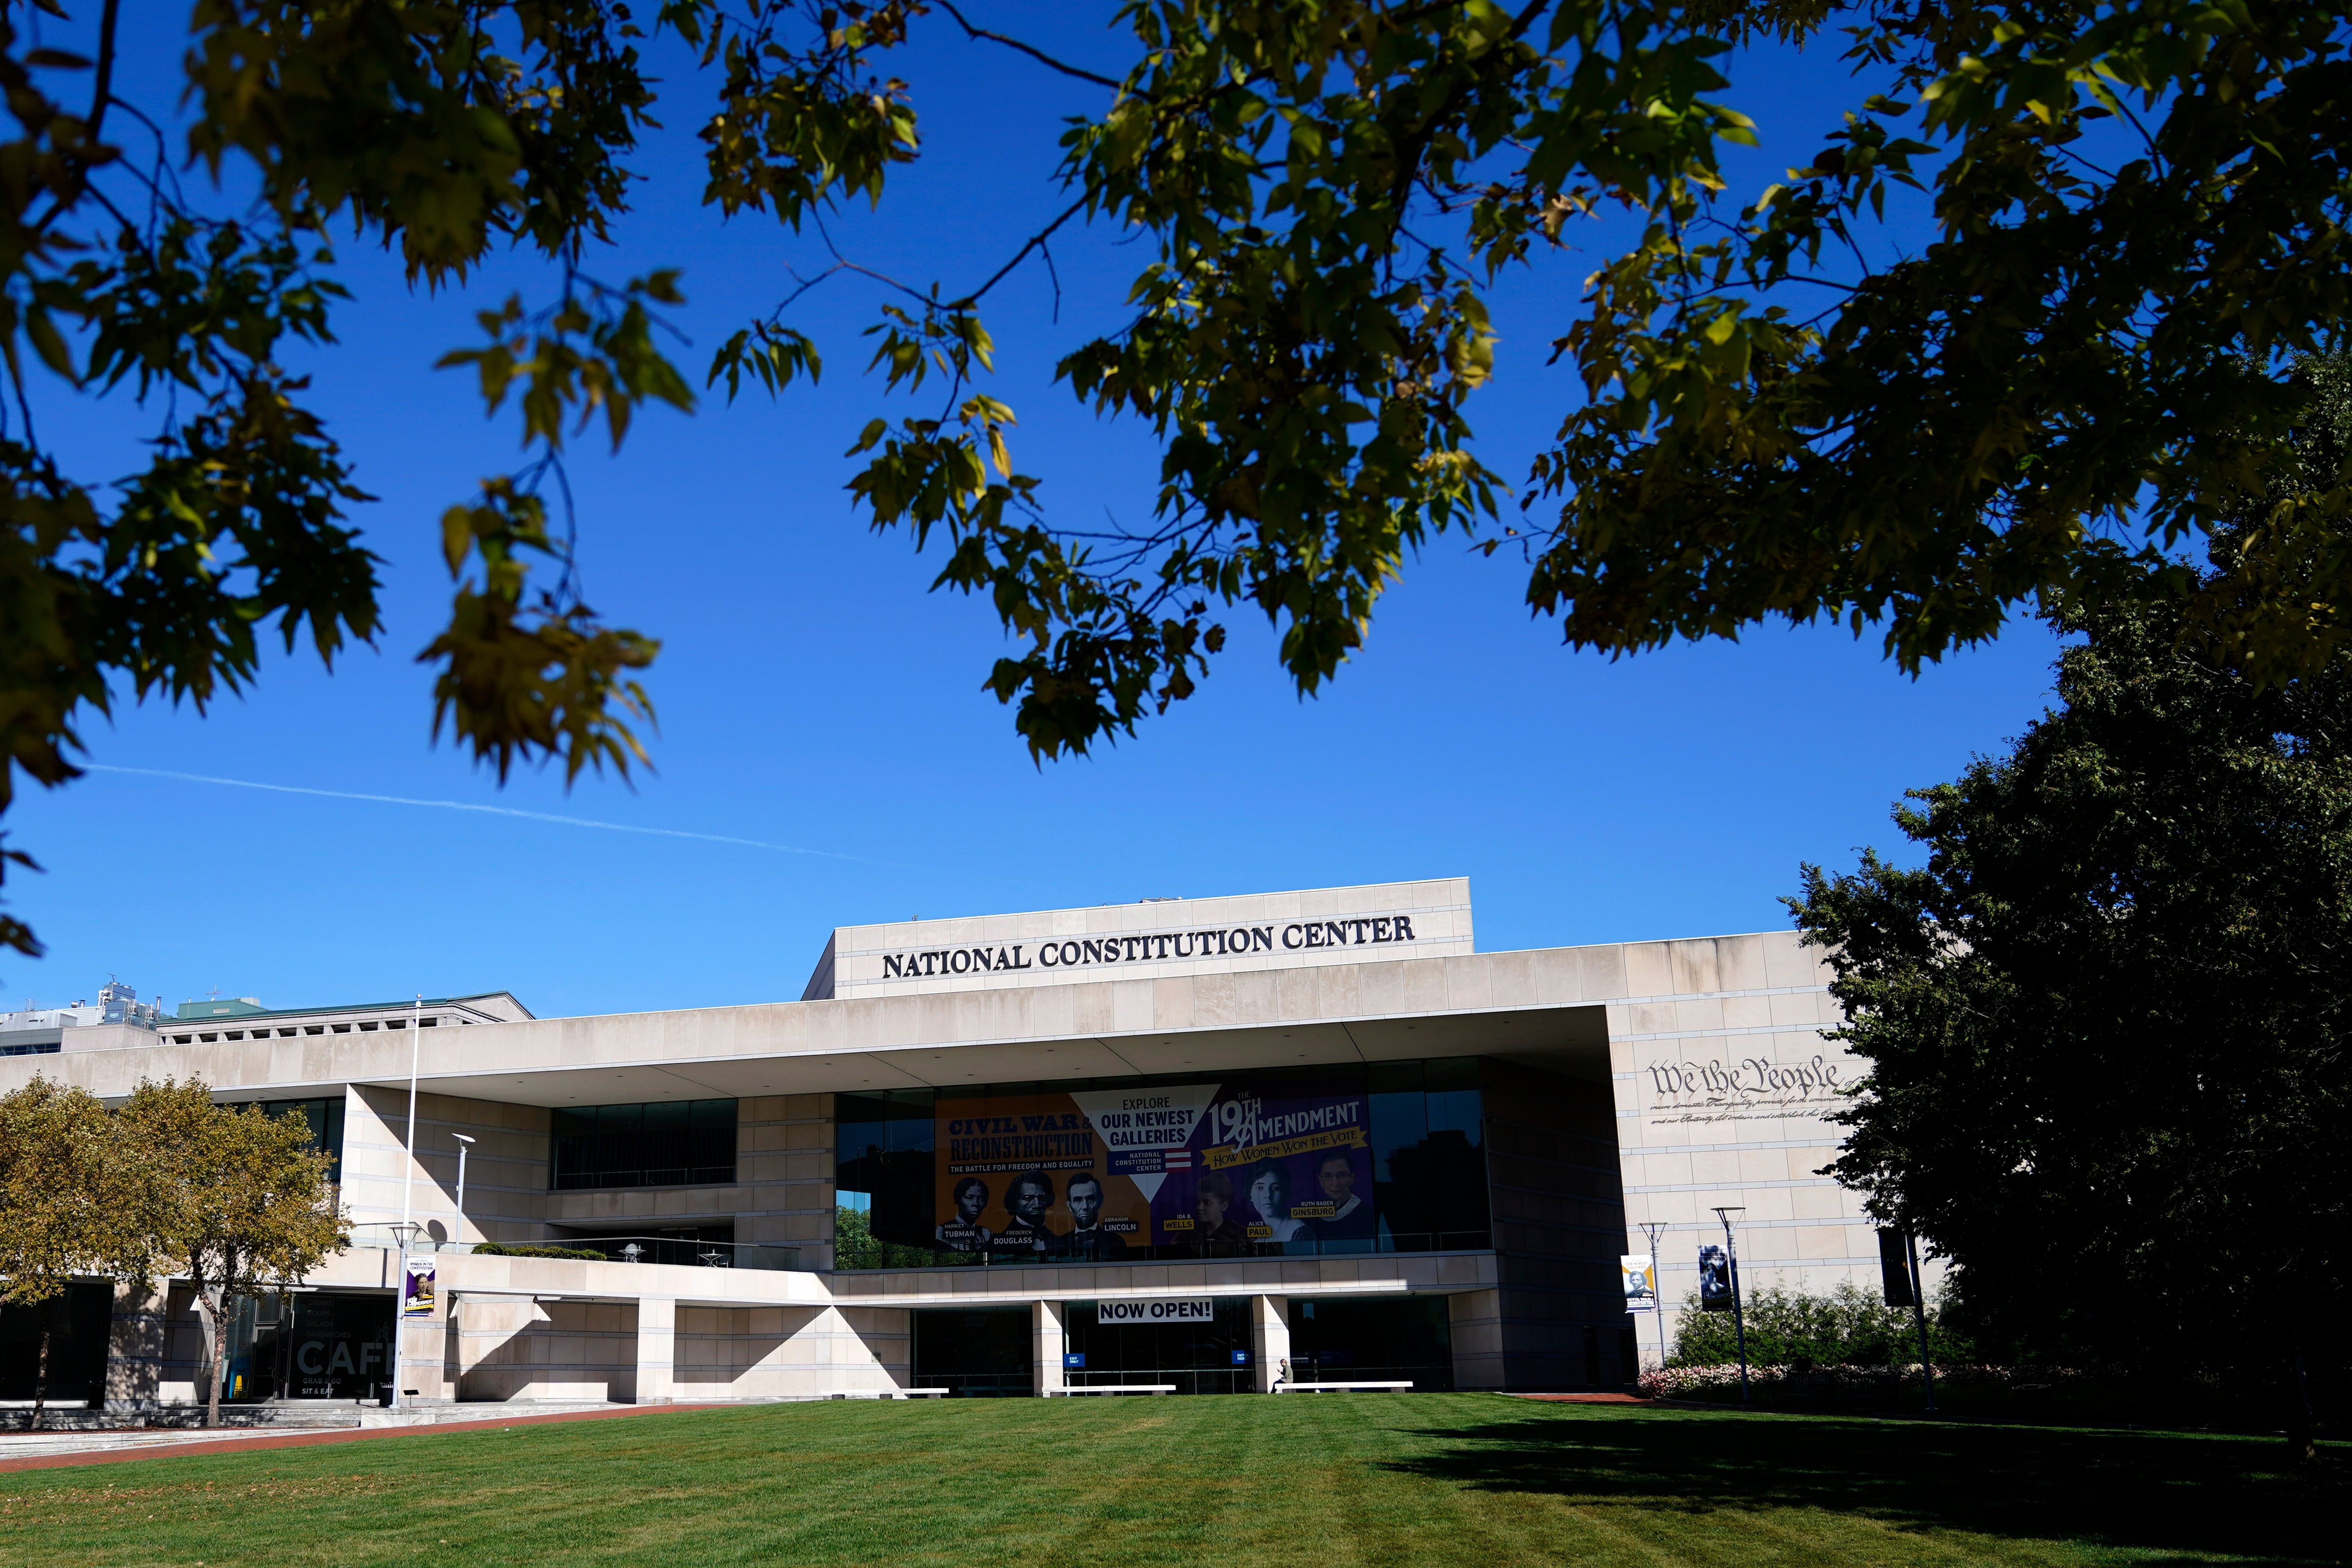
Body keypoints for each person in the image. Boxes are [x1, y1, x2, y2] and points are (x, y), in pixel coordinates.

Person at [1049, 1173, 1131, 1260]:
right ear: (1070, 1205)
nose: (1085, 1207)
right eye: (1078, 1200)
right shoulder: (1059, 1243)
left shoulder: (1116, 1241)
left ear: (1100, 1202)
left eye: (1090, 1199)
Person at [1305, 1150, 1376, 1247]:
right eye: (1328, 1176)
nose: (1335, 1183)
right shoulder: (1312, 1218)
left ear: (1352, 1178)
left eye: (1342, 1175)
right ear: (1321, 1181)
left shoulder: (1368, 1216)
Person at [993, 1169, 1061, 1257]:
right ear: (1015, 1202)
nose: (1037, 1205)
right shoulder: (998, 1244)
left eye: (1042, 1198)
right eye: (1028, 1199)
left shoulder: (1062, 1243)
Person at [1244, 1159, 1307, 1248]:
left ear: (1284, 1193)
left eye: (1275, 1188)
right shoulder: (1259, 1237)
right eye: (1260, 1188)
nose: (1268, 1195)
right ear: (1250, 1195)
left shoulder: (1298, 1232)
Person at [1189, 1169, 1250, 1256]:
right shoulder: (1187, 1236)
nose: (1200, 1208)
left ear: (1224, 1206)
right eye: (1198, 1202)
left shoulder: (1240, 1235)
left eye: (1207, 1203)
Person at [936, 1176, 994, 1253]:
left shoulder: (987, 1234)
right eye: (970, 1198)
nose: (976, 1203)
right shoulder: (941, 1232)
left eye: (981, 1199)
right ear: (958, 1199)